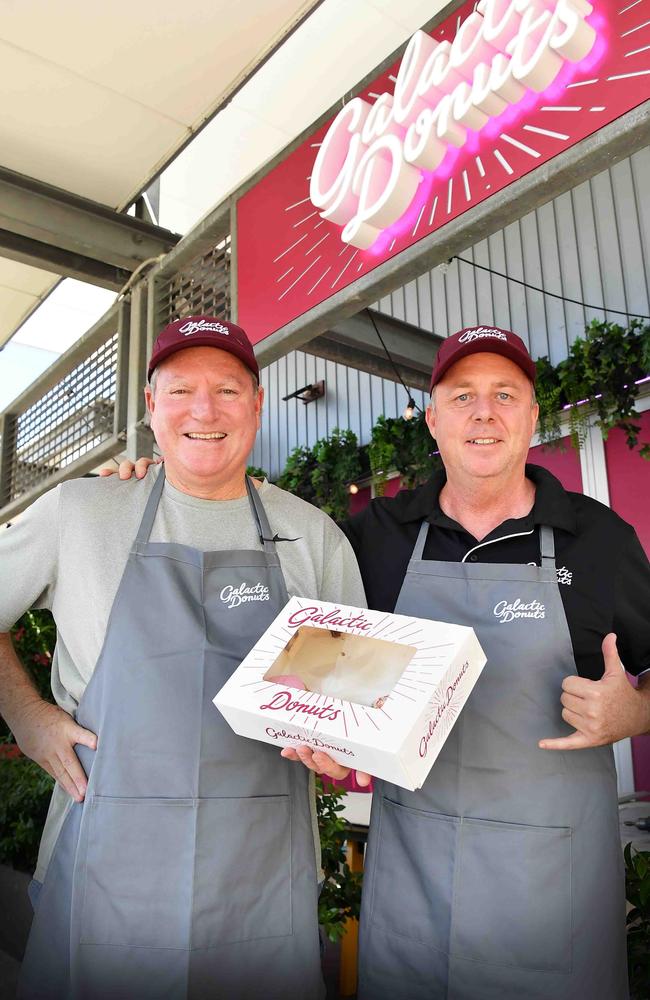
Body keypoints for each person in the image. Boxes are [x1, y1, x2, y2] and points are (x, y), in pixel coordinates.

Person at [108, 324, 650, 998]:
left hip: (552, 888)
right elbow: (320, 661)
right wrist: (155, 485)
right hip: (413, 888)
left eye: (505, 395)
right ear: (433, 419)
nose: (484, 414)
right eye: (462, 396)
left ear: (533, 416)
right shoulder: (374, 539)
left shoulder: (597, 539)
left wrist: (638, 708)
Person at [0, 315, 365, 999]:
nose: (205, 410)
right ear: (150, 406)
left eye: (228, 390)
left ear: (257, 405)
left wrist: (341, 750)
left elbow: (351, 706)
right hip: (105, 872)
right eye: (181, 391)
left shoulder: (314, 538)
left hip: (262, 887)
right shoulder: (82, 511)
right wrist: (26, 714)